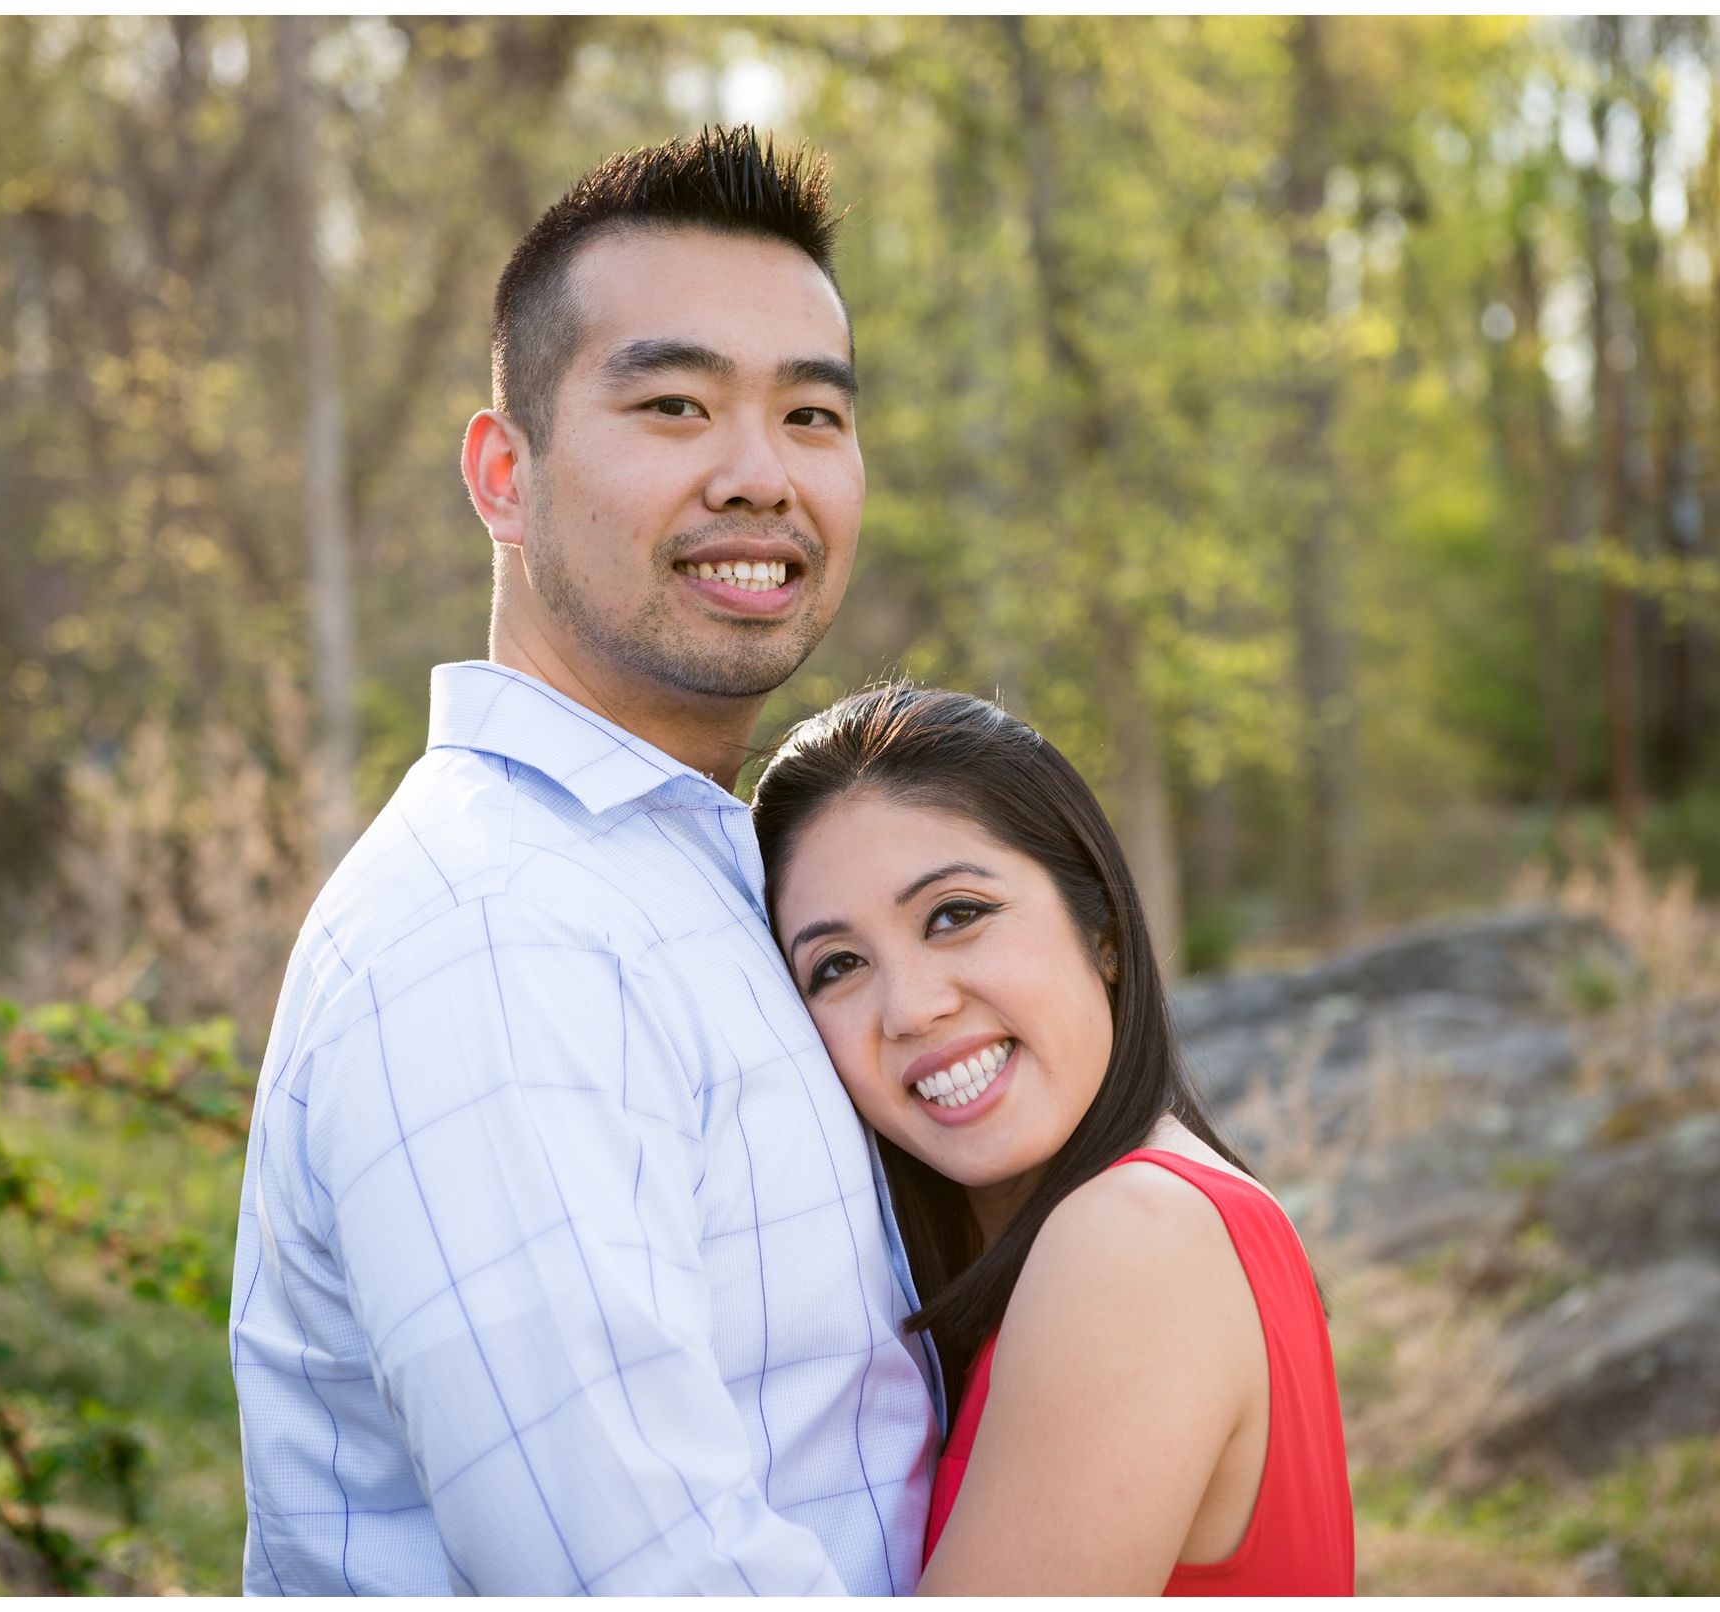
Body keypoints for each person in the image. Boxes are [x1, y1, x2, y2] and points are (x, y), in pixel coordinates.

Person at [227, 128, 937, 1596]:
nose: (761, 476)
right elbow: (635, 1579)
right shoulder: (497, 931)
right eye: (675, 404)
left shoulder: (707, 879)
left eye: (813, 417)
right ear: (503, 474)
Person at [752, 683, 1355, 1595]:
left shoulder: (1135, 1237)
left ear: (1102, 926)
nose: (912, 1008)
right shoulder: (1143, 1223)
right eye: (838, 966)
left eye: (955, 914)